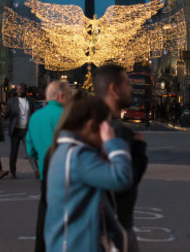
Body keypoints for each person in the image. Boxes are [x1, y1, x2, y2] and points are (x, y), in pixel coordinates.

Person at [44, 92, 132, 252]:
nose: (109, 129)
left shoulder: (67, 151)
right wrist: (113, 143)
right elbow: (122, 177)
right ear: (92, 126)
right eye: (107, 125)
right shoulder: (77, 157)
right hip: (77, 244)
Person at [94, 64, 148, 251]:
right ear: (114, 89)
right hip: (117, 224)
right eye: (127, 83)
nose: (131, 88)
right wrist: (140, 151)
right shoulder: (117, 131)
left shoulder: (86, 125)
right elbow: (127, 179)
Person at [28, 81, 71, 252]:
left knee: (44, 218)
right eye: (69, 96)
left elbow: (30, 148)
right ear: (61, 96)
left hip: (45, 175)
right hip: (67, 176)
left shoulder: (36, 116)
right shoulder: (69, 116)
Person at [5, 83, 38, 179]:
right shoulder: (12, 101)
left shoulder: (31, 101)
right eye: (17, 89)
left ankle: (36, 171)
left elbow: (32, 114)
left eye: (21, 89)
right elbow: (7, 114)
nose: (19, 91)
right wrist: (5, 112)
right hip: (15, 130)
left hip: (26, 130)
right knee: (14, 152)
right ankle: (12, 172)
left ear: (25, 90)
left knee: (30, 150)